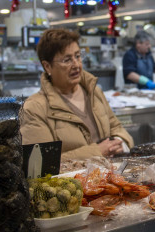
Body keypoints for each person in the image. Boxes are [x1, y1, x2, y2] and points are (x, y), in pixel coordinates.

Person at [22, 28, 133, 160]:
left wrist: (120, 144)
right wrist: (96, 152)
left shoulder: (93, 92)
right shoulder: (35, 109)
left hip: (110, 176)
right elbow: (41, 163)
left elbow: (116, 127)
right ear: (47, 66)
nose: (76, 64)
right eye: (67, 60)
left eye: (78, 56)